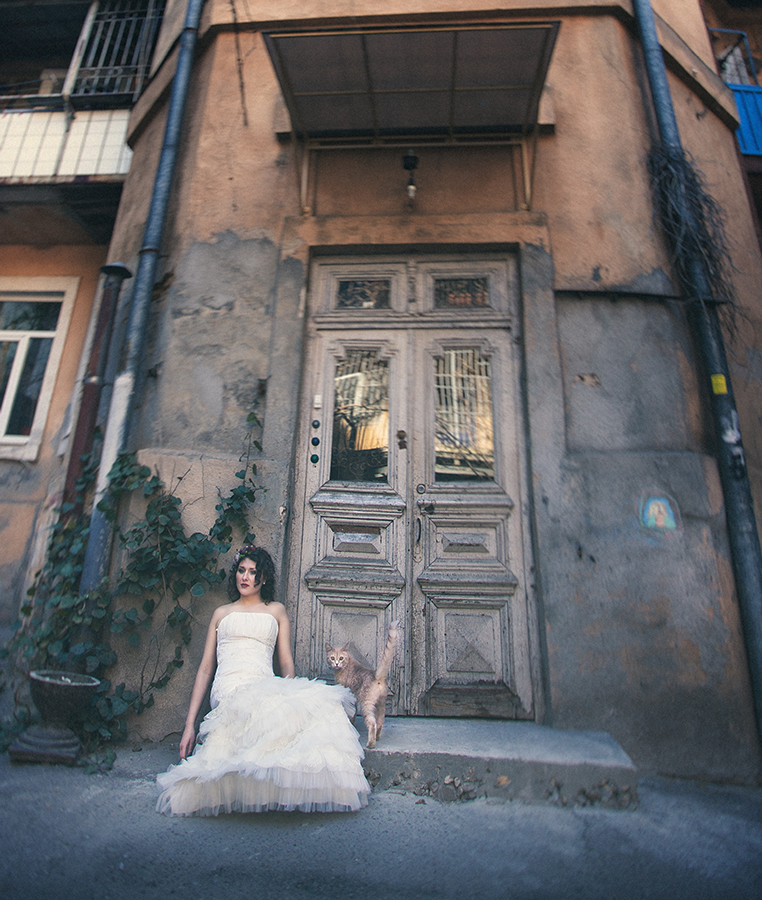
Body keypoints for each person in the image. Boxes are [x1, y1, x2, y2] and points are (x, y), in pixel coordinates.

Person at [156, 545, 370, 815]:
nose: (245, 577)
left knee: (321, 708)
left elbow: (285, 662)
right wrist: (189, 726)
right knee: (255, 712)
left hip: (263, 683)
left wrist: (294, 699)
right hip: (229, 689)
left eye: (252, 572)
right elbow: (205, 669)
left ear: (264, 578)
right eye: (241, 571)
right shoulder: (221, 613)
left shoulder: (276, 611)